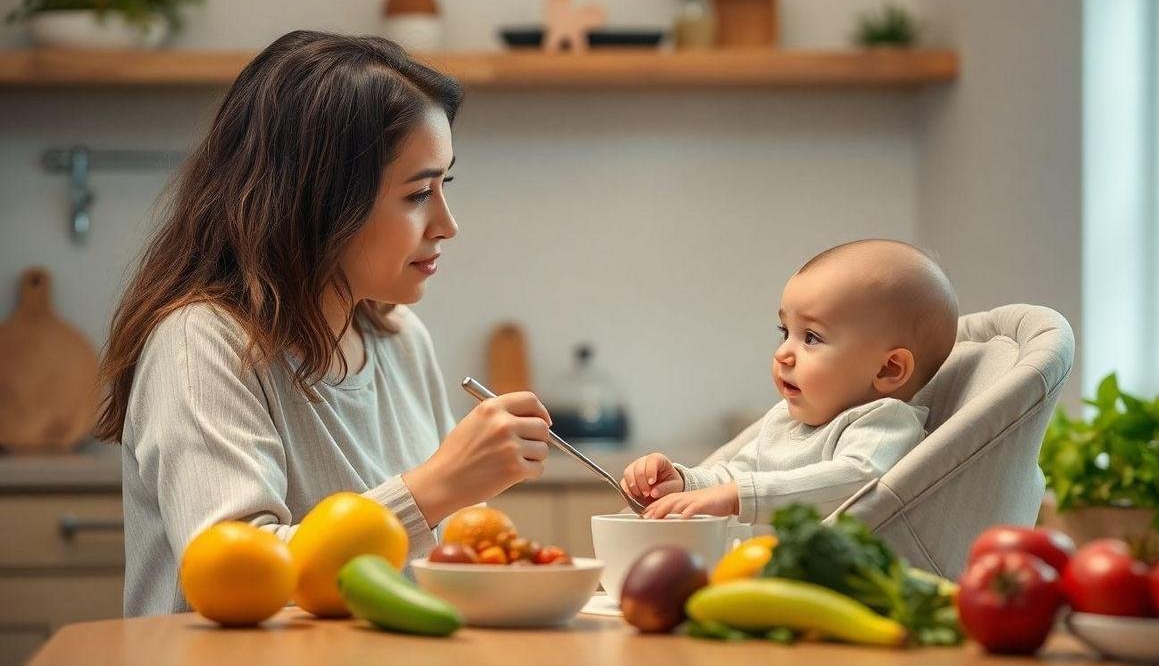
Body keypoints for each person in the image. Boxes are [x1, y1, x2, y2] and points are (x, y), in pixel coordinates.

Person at [97, 31, 554, 615]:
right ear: (319, 199)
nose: (446, 224)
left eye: (446, 185)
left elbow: (432, 557)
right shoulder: (202, 343)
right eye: (418, 194)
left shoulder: (399, 339)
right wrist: (436, 489)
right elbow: (243, 577)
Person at [623, 239, 959, 522]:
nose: (783, 353)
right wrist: (684, 482)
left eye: (811, 337)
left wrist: (740, 497)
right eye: (786, 332)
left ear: (888, 369)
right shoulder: (784, 422)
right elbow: (734, 476)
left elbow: (857, 479)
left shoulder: (885, 421)